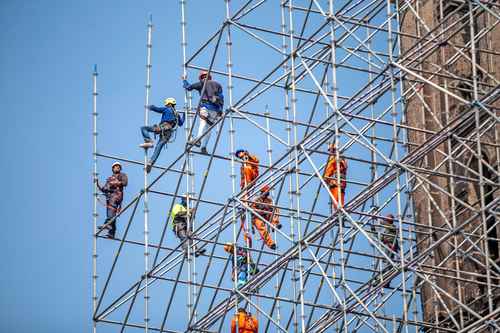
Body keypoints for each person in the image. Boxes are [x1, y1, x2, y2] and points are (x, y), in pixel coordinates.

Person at [183, 70, 224, 154]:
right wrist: (221, 110)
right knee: (208, 129)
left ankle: (198, 140)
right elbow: (221, 98)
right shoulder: (218, 85)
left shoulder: (202, 83)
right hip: (215, 110)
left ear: (202, 77)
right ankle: (204, 147)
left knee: (203, 123)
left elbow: (188, 87)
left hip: (206, 106)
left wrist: (184, 80)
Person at [139, 97, 185, 173]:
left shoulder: (167, 109)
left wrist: (149, 106)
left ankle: (149, 141)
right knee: (159, 146)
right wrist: (184, 115)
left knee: (144, 128)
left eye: (167, 104)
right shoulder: (177, 114)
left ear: (169, 104)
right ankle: (151, 162)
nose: (166, 105)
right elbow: (181, 123)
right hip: (169, 132)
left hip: (162, 128)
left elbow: (157, 109)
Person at [96, 162, 128, 238]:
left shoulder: (122, 175)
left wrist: (116, 183)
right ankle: (111, 233)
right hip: (110, 197)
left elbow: (125, 183)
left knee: (111, 210)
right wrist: (97, 184)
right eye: (115, 167)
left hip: (116, 196)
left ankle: (108, 224)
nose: (117, 168)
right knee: (111, 212)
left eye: (118, 167)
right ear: (113, 169)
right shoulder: (110, 179)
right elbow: (104, 189)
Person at [251, 185, 281, 250]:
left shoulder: (268, 200)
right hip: (257, 217)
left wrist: (269, 210)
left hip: (266, 215)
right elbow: (253, 209)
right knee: (262, 228)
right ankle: (271, 244)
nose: (267, 194)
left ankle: (275, 224)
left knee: (276, 209)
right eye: (266, 192)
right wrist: (262, 211)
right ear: (262, 192)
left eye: (267, 192)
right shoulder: (256, 199)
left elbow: (273, 209)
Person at [324, 143, 347, 211]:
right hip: (340, 182)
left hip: (335, 182)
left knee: (336, 200)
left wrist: (326, 178)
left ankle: (339, 213)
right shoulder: (342, 158)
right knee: (339, 199)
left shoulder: (334, 158)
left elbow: (329, 169)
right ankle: (340, 213)